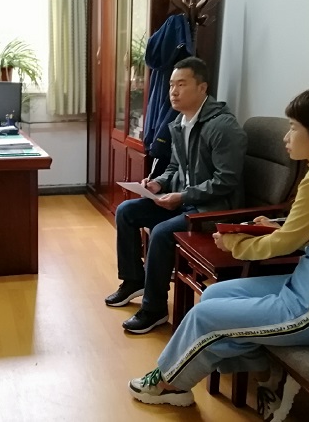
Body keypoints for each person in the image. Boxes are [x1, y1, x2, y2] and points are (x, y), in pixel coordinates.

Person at [128, 87, 309, 420]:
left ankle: (170, 384)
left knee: (204, 316)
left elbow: (285, 245)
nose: (286, 137)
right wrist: (275, 226)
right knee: (215, 294)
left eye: (294, 127)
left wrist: (235, 243)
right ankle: (268, 370)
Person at [105, 56, 247, 334]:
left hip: (213, 210)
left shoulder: (222, 127)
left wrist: (181, 197)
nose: (173, 91)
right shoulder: (181, 121)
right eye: (171, 85)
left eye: (181, 85)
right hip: (186, 201)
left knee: (161, 232)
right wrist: (158, 183)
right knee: (127, 211)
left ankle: (155, 309)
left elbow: (226, 181)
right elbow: (174, 166)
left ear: (202, 88)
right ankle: (134, 280)